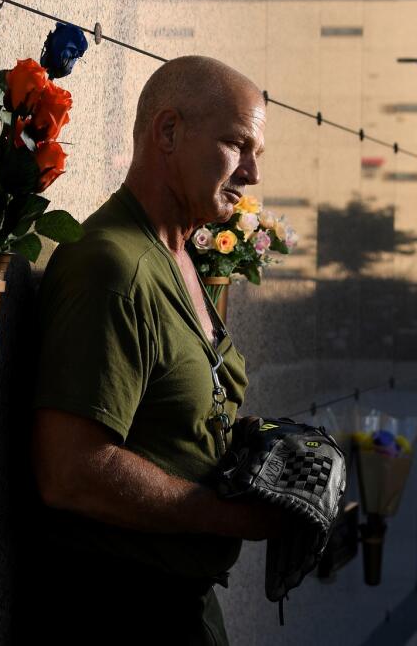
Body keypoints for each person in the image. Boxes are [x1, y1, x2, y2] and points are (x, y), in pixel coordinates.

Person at [27, 56, 284, 645]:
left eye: (256, 154)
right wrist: (234, 516)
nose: (251, 173)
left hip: (179, 605)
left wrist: (252, 456)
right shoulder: (111, 266)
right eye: (235, 144)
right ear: (167, 132)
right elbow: (70, 471)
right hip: (123, 611)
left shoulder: (180, 254)